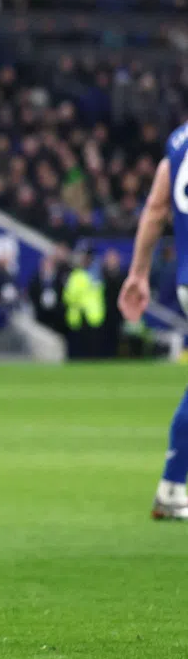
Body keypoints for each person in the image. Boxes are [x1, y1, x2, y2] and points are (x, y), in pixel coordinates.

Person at [118, 127, 188, 520]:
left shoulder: (179, 142)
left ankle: (172, 487)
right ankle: (171, 487)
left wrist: (139, 273)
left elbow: (157, 207)